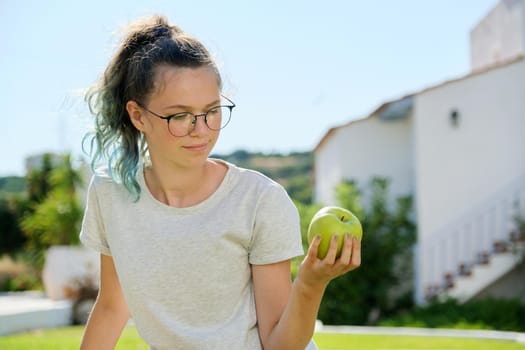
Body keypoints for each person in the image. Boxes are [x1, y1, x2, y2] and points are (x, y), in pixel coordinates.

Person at [79, 15, 361, 350]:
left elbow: (278, 344)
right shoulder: (111, 194)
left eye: (212, 111)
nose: (201, 129)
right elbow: (112, 306)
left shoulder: (260, 201)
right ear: (138, 115)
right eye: (180, 116)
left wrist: (311, 284)